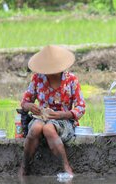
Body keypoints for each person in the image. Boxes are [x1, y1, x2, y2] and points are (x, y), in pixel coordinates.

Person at [19, 45, 85, 176]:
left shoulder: (71, 80)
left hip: (63, 120)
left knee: (48, 128)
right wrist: (30, 106)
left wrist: (63, 114)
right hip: (41, 118)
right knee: (36, 128)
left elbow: (81, 107)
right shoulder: (38, 79)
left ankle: (66, 166)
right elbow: (25, 102)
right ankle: (25, 166)